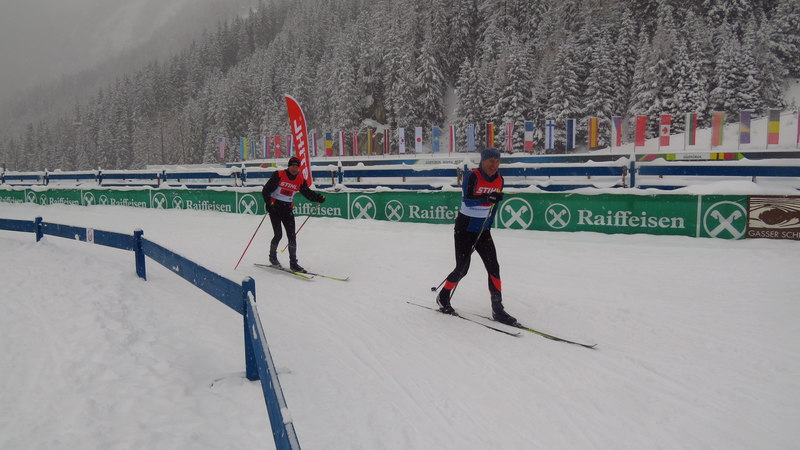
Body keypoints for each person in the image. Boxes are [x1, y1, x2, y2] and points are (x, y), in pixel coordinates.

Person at [436, 148, 517, 325]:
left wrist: (489, 222)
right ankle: (443, 296)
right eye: (491, 161)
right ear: (483, 161)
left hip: (483, 229)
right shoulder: (472, 176)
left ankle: (498, 309)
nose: (494, 165)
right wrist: (486, 199)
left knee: (493, 267)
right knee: (462, 269)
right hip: (465, 228)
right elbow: (467, 200)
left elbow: (495, 204)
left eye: (497, 161)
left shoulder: (500, 179)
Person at [261, 156, 326, 273]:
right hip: (275, 208)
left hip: (287, 209)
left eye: (297, 166)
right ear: (289, 166)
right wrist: (268, 203)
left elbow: (307, 192)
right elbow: (266, 190)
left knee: (292, 236)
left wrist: (318, 198)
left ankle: (293, 263)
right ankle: (272, 256)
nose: (294, 168)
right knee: (278, 235)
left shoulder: (300, 179)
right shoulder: (279, 174)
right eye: (292, 166)